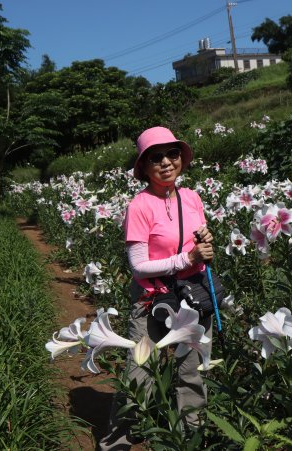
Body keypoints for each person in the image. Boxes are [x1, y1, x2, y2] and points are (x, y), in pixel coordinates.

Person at [99, 126, 214, 450]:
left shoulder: (191, 198)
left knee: (191, 372)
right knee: (140, 375)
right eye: (155, 157)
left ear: (181, 157)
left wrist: (205, 246)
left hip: (192, 295)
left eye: (172, 153)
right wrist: (186, 257)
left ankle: (191, 440)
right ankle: (116, 442)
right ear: (145, 166)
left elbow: (199, 240)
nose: (166, 162)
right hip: (152, 298)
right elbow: (138, 266)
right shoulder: (139, 205)